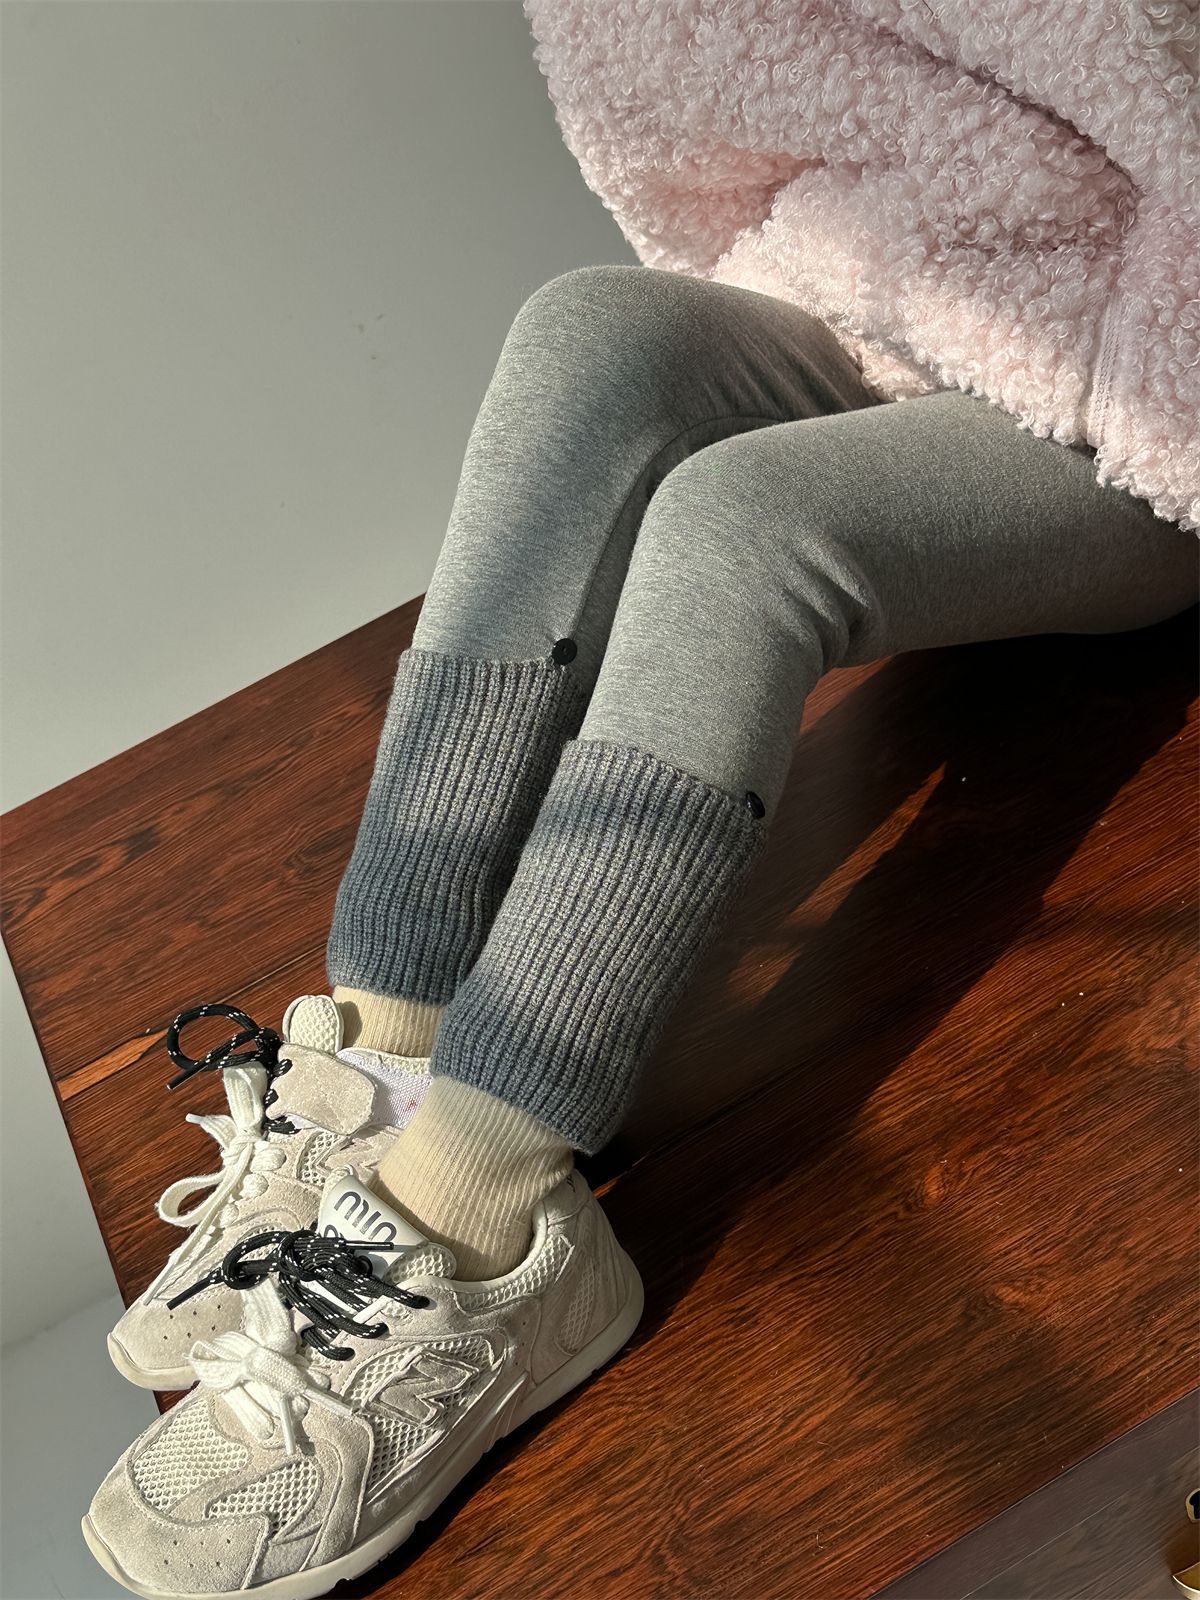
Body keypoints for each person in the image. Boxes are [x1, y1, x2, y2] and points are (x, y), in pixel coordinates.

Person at [84, 3, 1199, 1596]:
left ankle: (481, 1211)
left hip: (1145, 392)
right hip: (932, 301)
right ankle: (386, 1055)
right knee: (587, 330)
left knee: (737, 530)